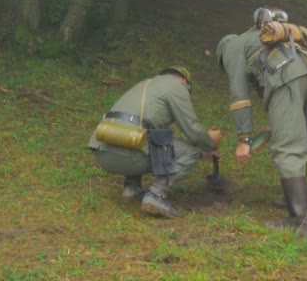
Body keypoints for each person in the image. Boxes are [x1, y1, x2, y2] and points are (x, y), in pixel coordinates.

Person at [215, 7, 307, 235]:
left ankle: (300, 220)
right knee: (300, 136)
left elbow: (239, 95)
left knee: (287, 146)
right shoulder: (262, 38)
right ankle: (294, 201)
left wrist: (244, 138)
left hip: (286, 78)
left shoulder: (234, 45)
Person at [87, 66, 222, 218]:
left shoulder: (145, 85)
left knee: (142, 135)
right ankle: (156, 195)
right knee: (192, 152)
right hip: (127, 156)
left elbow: (154, 133)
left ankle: (132, 188)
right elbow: (193, 130)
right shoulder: (177, 86)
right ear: (184, 80)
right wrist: (209, 147)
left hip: (103, 151)